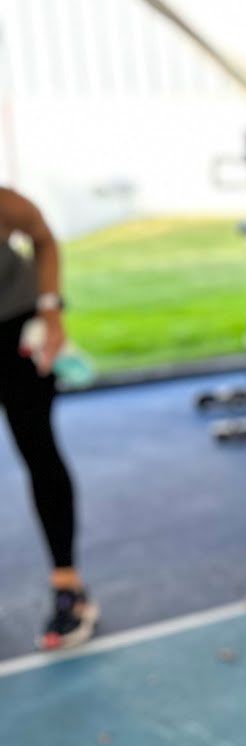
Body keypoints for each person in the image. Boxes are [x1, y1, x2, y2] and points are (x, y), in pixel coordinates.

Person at [0, 187, 97, 651]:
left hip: (14, 328)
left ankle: (69, 588)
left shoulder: (2, 202)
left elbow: (42, 235)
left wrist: (50, 311)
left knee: (37, 448)